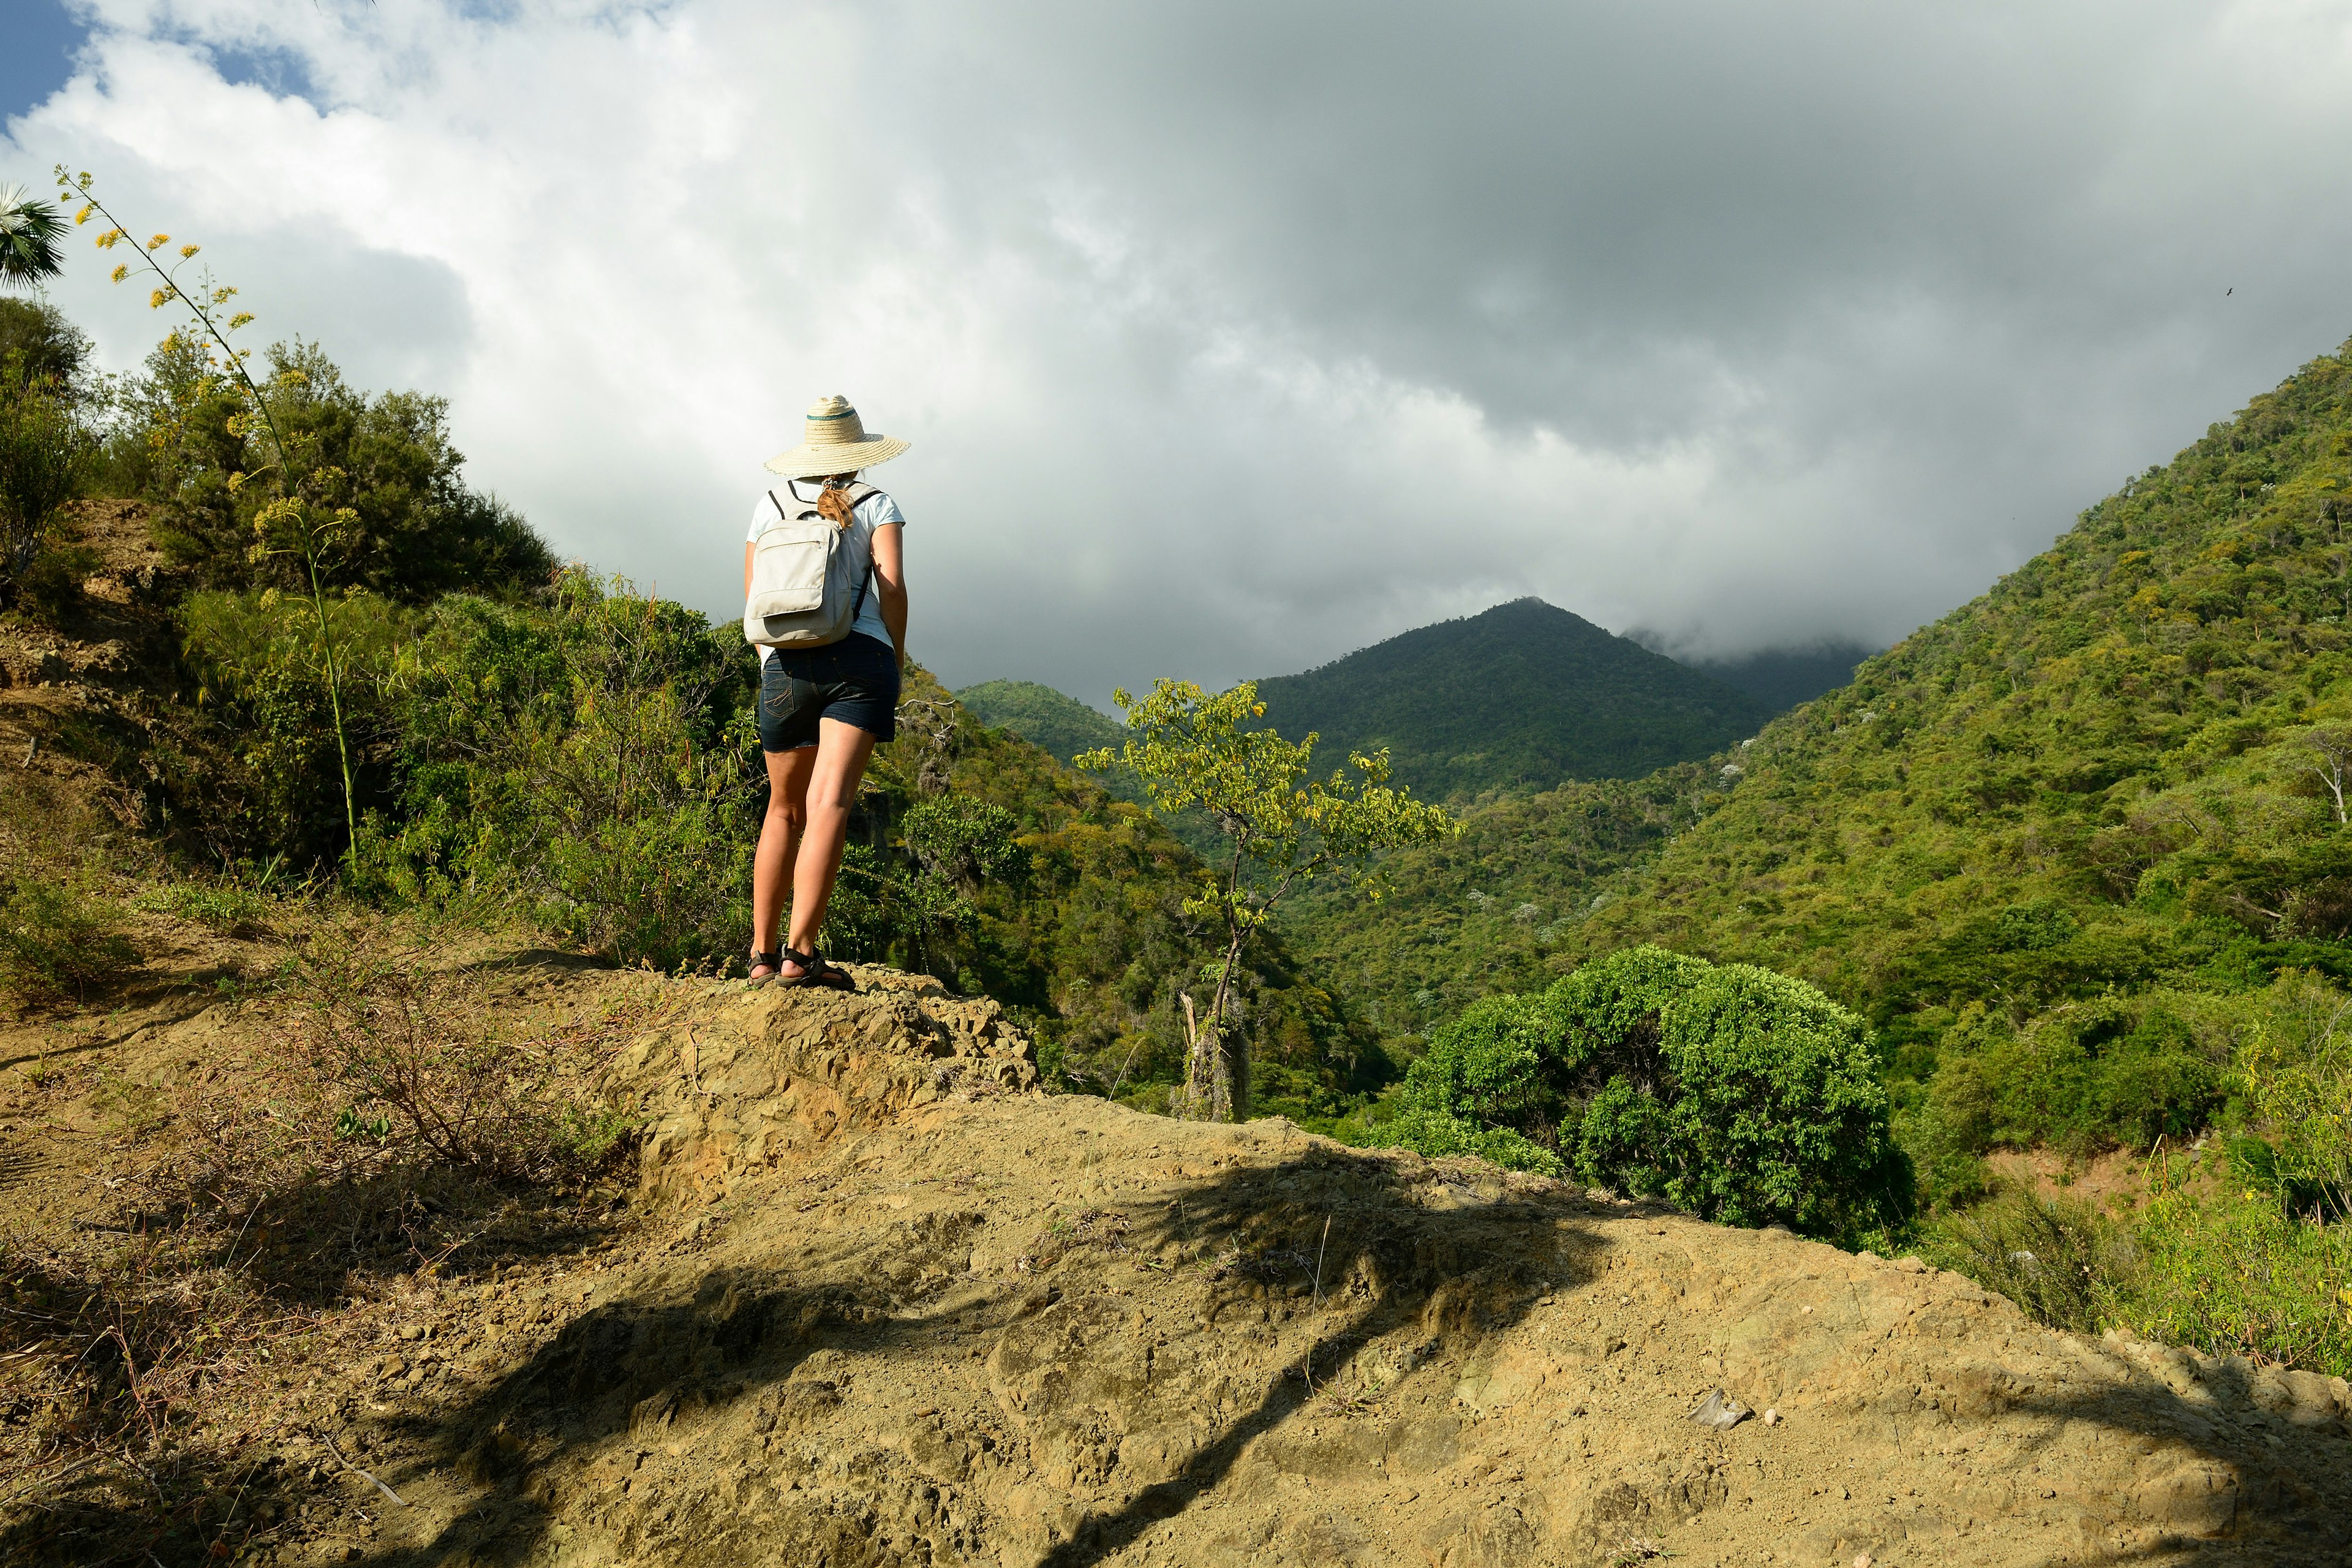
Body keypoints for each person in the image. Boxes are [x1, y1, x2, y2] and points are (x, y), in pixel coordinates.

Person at [744, 394, 910, 989]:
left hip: (785, 665)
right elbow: (891, 587)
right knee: (830, 803)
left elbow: (753, 599)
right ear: (858, 452)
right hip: (859, 662)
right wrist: (896, 652)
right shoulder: (877, 502)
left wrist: (772, 664)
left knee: (782, 808)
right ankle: (801, 954)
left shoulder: (769, 505)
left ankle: (762, 956)